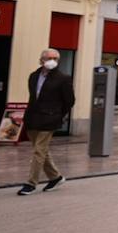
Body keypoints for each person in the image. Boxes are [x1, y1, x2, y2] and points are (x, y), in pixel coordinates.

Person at [18, 49, 73, 195]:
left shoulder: (63, 78)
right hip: (32, 118)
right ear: (42, 59)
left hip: (50, 119)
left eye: (55, 58)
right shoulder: (33, 76)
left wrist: (58, 115)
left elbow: (69, 101)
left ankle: (31, 183)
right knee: (41, 150)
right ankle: (55, 177)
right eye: (49, 58)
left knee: (38, 151)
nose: (52, 61)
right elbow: (33, 98)